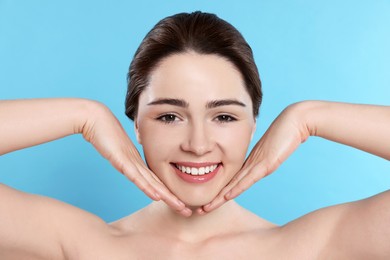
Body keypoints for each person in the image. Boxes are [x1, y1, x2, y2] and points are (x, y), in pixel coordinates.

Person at [0, 11, 389, 259]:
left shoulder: (311, 247)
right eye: (170, 116)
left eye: (224, 116)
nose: (198, 145)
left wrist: (310, 117)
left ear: (254, 125)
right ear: (136, 124)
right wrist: (84, 115)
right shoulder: (79, 244)